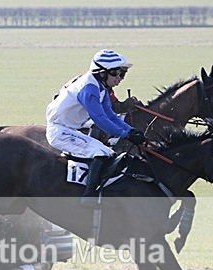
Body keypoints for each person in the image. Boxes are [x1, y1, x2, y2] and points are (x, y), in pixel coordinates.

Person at [46, 49, 147, 206]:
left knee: (108, 151)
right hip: (60, 130)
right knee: (101, 152)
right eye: (116, 73)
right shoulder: (90, 88)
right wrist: (125, 134)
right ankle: (89, 195)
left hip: (71, 128)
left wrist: (131, 130)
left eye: (123, 74)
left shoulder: (100, 87)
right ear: (101, 72)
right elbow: (100, 120)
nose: (120, 78)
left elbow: (111, 115)